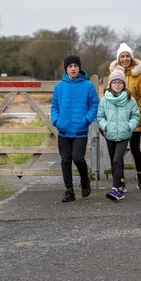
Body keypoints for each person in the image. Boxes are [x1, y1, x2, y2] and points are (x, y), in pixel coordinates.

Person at [51, 55, 99, 202]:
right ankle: (69, 190)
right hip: (63, 130)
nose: (73, 69)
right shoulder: (59, 87)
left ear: (79, 68)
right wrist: (56, 120)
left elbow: (94, 104)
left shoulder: (88, 86)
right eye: (70, 66)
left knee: (78, 158)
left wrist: (86, 119)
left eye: (75, 66)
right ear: (66, 68)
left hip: (80, 130)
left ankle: (85, 181)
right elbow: (54, 106)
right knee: (65, 160)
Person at [108, 43, 141, 190]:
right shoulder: (112, 75)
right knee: (117, 154)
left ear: (131, 58)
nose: (125, 59)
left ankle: (140, 174)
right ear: (118, 59)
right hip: (116, 119)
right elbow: (108, 97)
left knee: (135, 149)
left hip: (133, 118)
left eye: (127, 56)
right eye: (122, 56)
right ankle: (120, 180)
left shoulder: (139, 75)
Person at [97, 65, 140, 201]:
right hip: (110, 134)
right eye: (115, 82)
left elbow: (135, 116)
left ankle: (115, 189)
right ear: (110, 84)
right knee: (114, 161)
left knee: (117, 160)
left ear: (124, 84)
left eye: (120, 82)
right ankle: (120, 185)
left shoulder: (130, 99)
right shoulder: (105, 100)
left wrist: (129, 126)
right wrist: (105, 126)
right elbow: (100, 116)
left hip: (123, 134)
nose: (117, 84)